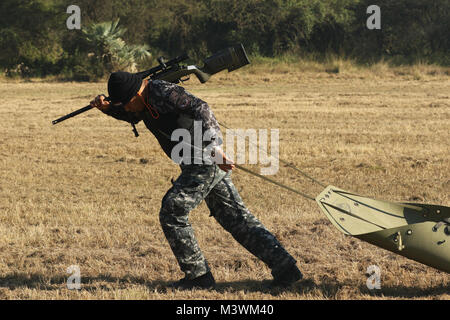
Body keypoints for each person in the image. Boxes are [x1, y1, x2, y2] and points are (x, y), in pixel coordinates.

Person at [90, 71, 302, 290]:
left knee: (172, 211)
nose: (124, 108)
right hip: (193, 162)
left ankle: (198, 277)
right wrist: (108, 109)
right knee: (237, 219)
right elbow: (134, 114)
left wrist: (215, 146)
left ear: (135, 94)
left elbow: (201, 107)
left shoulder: (163, 91)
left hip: (204, 159)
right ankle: (286, 269)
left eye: (125, 103)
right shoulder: (141, 101)